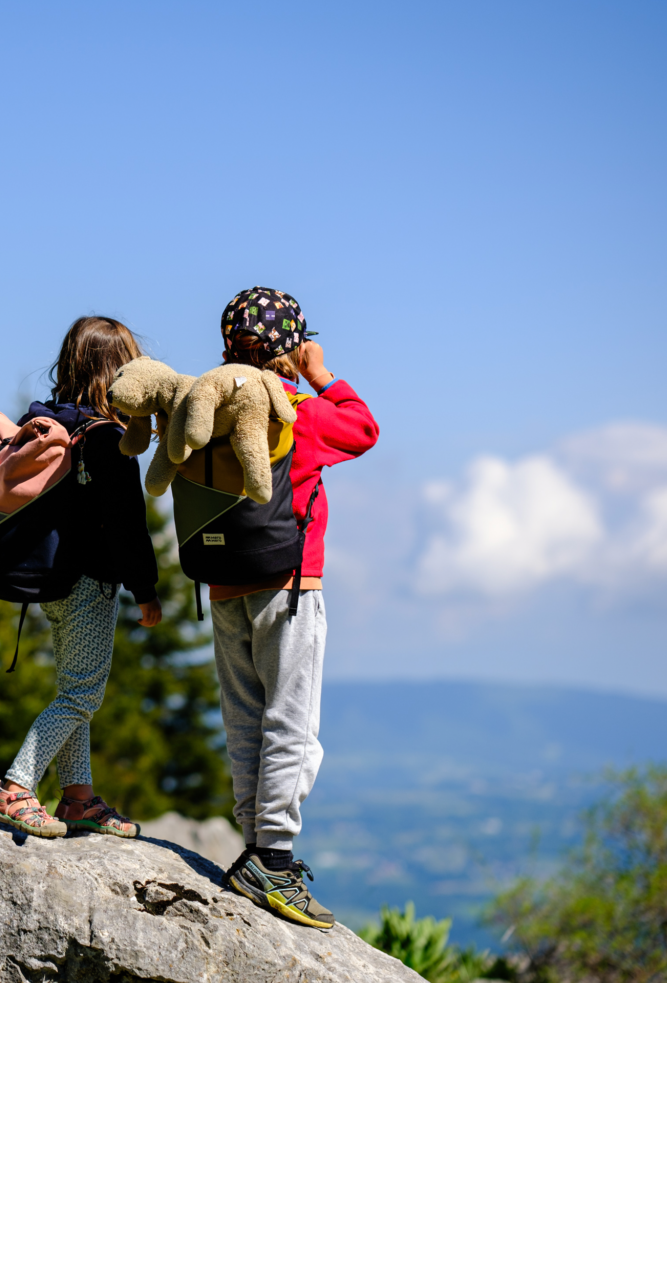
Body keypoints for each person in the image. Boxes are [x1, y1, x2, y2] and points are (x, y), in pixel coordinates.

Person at [208, 288, 379, 929]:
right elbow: (363, 428)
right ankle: (273, 861)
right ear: (292, 344)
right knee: (293, 725)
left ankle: (255, 847)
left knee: (245, 717)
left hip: (222, 580)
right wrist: (322, 374)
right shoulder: (299, 410)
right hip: (288, 581)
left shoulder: (214, 403)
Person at [0, 316, 162, 840]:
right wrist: (145, 589)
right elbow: (127, 523)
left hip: (49, 578)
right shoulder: (109, 438)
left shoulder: (44, 423)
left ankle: (78, 798)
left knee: (72, 687)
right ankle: (16, 786)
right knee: (82, 695)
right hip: (89, 582)